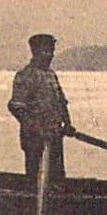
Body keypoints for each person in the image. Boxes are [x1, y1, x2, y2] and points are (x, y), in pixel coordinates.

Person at [8, 33, 74, 183]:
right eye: (45, 51)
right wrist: (37, 129)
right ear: (35, 52)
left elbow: (61, 102)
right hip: (34, 140)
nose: (49, 55)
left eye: (51, 51)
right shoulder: (25, 76)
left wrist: (68, 123)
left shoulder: (51, 75)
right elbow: (17, 107)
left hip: (54, 137)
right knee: (36, 180)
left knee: (56, 180)